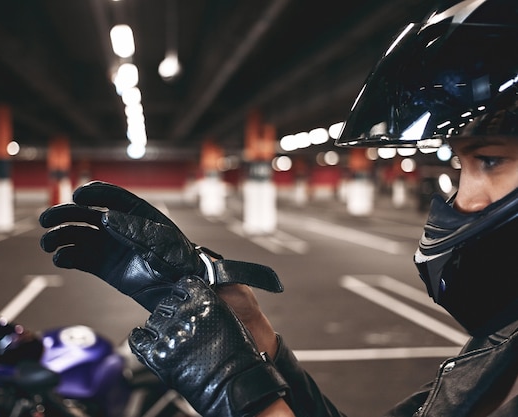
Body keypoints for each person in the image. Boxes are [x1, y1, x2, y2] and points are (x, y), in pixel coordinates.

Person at [39, 0, 518, 415]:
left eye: (490, 160)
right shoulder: (501, 348)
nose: (465, 198)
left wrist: (233, 388)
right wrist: (247, 326)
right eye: (462, 166)